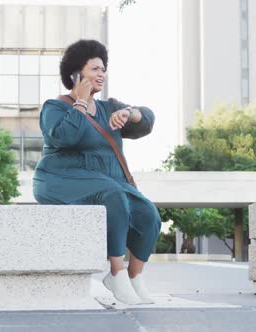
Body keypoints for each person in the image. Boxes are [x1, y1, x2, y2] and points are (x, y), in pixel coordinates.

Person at [33, 39, 161, 305]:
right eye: (94, 69)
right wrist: (79, 102)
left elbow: (147, 119)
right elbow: (64, 137)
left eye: (103, 69)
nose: (101, 74)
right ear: (76, 75)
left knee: (148, 213)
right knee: (113, 194)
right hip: (62, 178)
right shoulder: (55, 107)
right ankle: (116, 272)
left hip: (107, 181)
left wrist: (130, 114)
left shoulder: (108, 108)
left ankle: (135, 277)